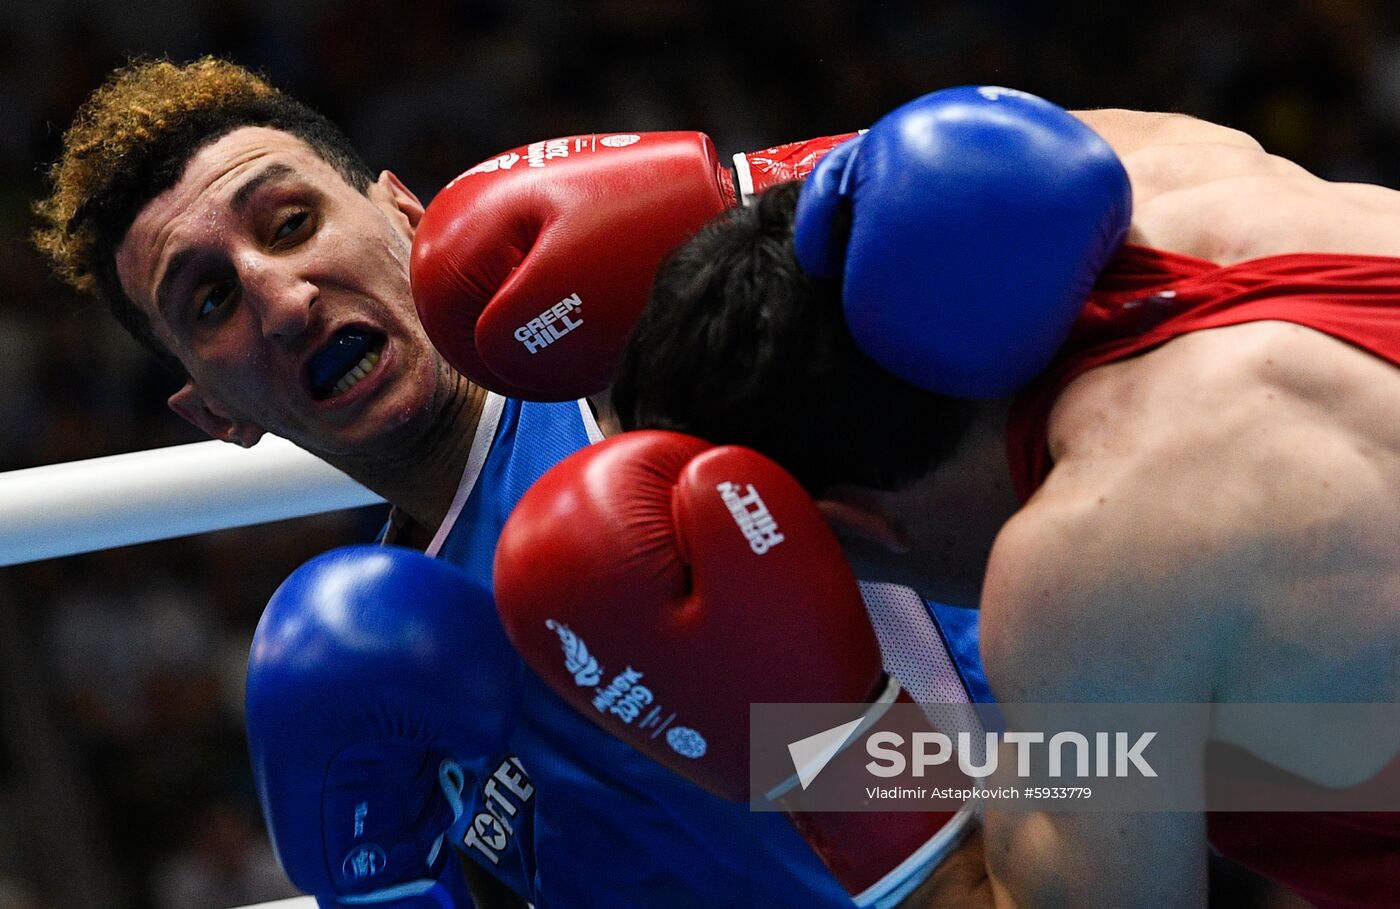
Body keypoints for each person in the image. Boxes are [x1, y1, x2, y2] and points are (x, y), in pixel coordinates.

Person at [31, 56, 891, 908]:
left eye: (292, 223)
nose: (284, 302)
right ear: (216, 413)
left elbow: (1020, 764)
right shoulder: (375, 667)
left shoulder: (656, 370)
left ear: (407, 212)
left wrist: (744, 198)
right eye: (212, 301)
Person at [554, 86, 1400, 909]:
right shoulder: (1160, 160)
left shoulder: (1090, 569)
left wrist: (829, 745)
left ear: (855, 525)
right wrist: (727, 197)